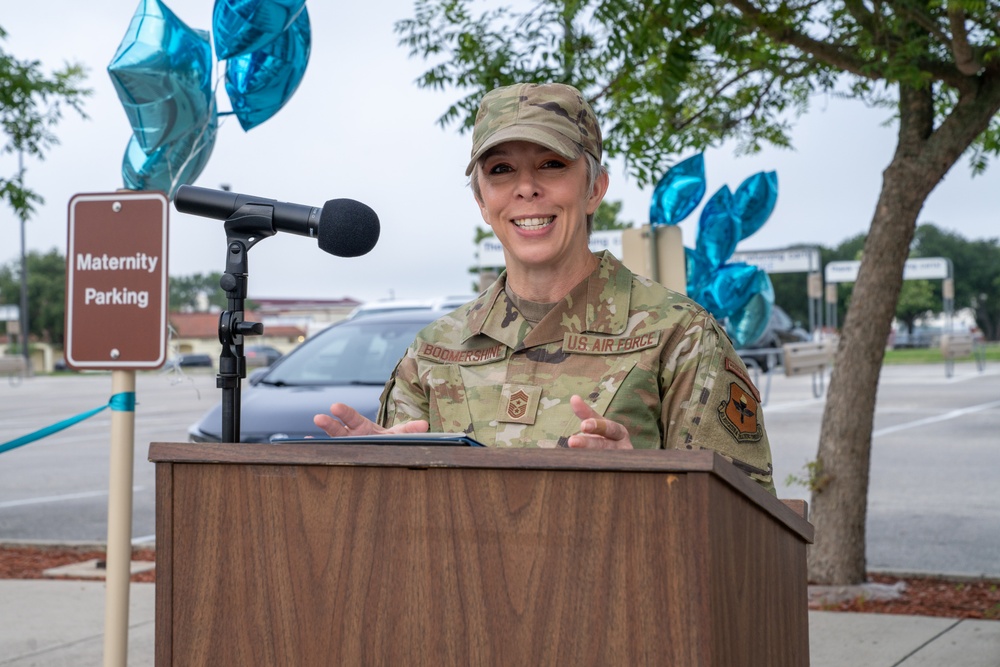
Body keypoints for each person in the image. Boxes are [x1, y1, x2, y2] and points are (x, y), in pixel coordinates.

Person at [315, 82, 775, 493]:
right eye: (500, 170)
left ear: (595, 188)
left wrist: (645, 479)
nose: (526, 188)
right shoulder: (435, 350)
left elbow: (743, 518)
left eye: (552, 164)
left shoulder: (680, 336)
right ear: (481, 200)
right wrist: (371, 477)